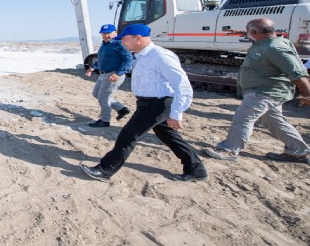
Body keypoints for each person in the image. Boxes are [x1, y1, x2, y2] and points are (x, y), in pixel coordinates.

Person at [80, 24, 208, 182]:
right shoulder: (141, 56)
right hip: (147, 103)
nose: (123, 43)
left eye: (125, 39)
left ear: (138, 38)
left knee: (127, 137)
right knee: (169, 136)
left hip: (157, 105)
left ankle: (105, 169)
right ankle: (197, 169)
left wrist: (176, 112)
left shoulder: (160, 56)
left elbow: (182, 85)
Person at [203, 18, 310, 163]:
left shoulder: (275, 48)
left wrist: (308, 95)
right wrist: (241, 32)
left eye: (248, 31)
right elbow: (260, 33)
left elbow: (298, 74)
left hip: (265, 92)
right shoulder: (268, 41)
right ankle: (299, 152)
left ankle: (229, 150)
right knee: (275, 122)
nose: (247, 34)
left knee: (243, 118)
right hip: (266, 90)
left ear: (254, 32)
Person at [85, 23, 133, 127]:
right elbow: (102, 59)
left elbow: (129, 60)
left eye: (109, 33)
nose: (106, 35)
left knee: (103, 98)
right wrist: (93, 67)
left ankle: (105, 120)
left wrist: (118, 73)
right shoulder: (105, 44)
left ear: (115, 33)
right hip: (102, 74)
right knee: (96, 94)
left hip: (113, 74)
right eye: (104, 33)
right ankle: (122, 109)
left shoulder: (119, 44)